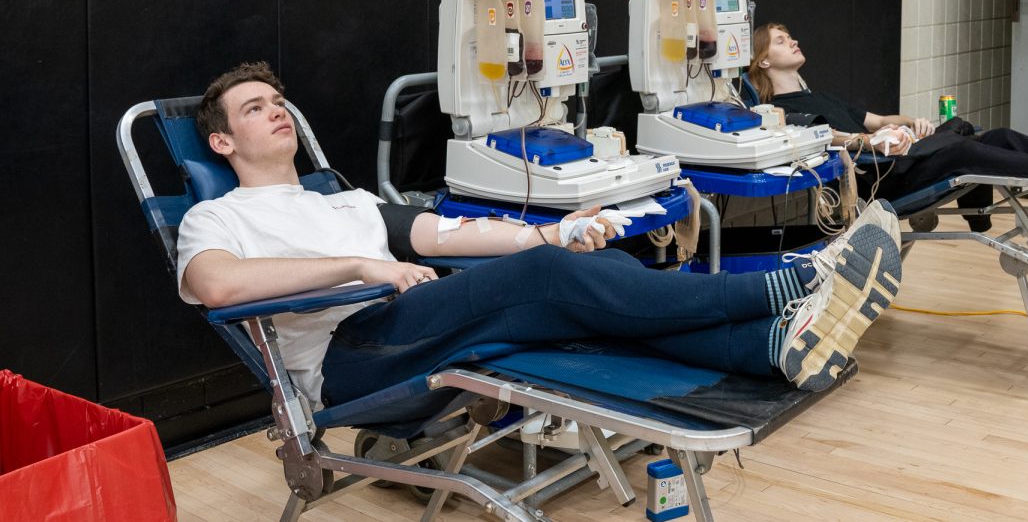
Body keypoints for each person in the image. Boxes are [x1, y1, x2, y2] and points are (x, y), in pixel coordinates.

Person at [176, 62, 905, 409]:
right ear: (219, 141)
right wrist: (363, 264)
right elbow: (217, 286)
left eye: (279, 100)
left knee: (573, 309)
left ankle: (768, 342)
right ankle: (786, 284)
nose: (277, 112)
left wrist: (554, 231)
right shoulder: (217, 217)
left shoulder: (344, 199)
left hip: (401, 321)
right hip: (344, 357)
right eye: (254, 108)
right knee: (549, 283)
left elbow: (449, 232)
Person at [745, 23, 1028, 225]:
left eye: (791, 35)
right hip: (882, 180)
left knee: (989, 133)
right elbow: (828, 138)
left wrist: (910, 121)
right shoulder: (780, 110)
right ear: (764, 60)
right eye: (782, 41)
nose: (794, 40)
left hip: (904, 154)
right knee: (963, 152)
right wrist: (871, 140)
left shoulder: (820, 95)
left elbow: (880, 119)